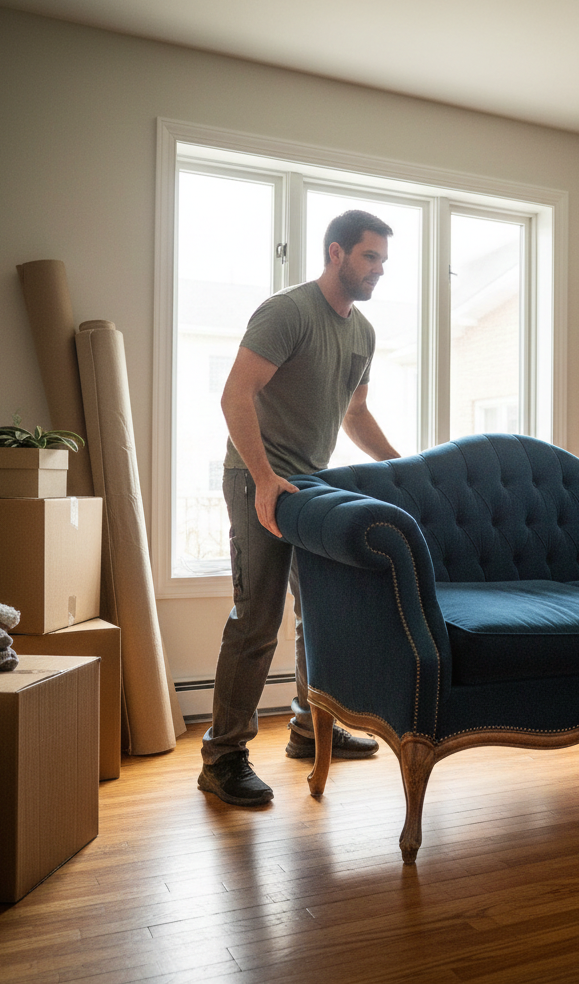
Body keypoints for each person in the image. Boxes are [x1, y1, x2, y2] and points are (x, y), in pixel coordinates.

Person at [198, 210, 402, 806]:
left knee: (321, 612)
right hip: (257, 479)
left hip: (313, 486)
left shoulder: (362, 333)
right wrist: (264, 478)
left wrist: (401, 466)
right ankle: (222, 757)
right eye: (369, 257)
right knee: (256, 620)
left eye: (383, 260)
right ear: (336, 253)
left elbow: (354, 414)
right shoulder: (288, 312)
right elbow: (235, 395)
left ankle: (310, 730)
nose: (379, 270)